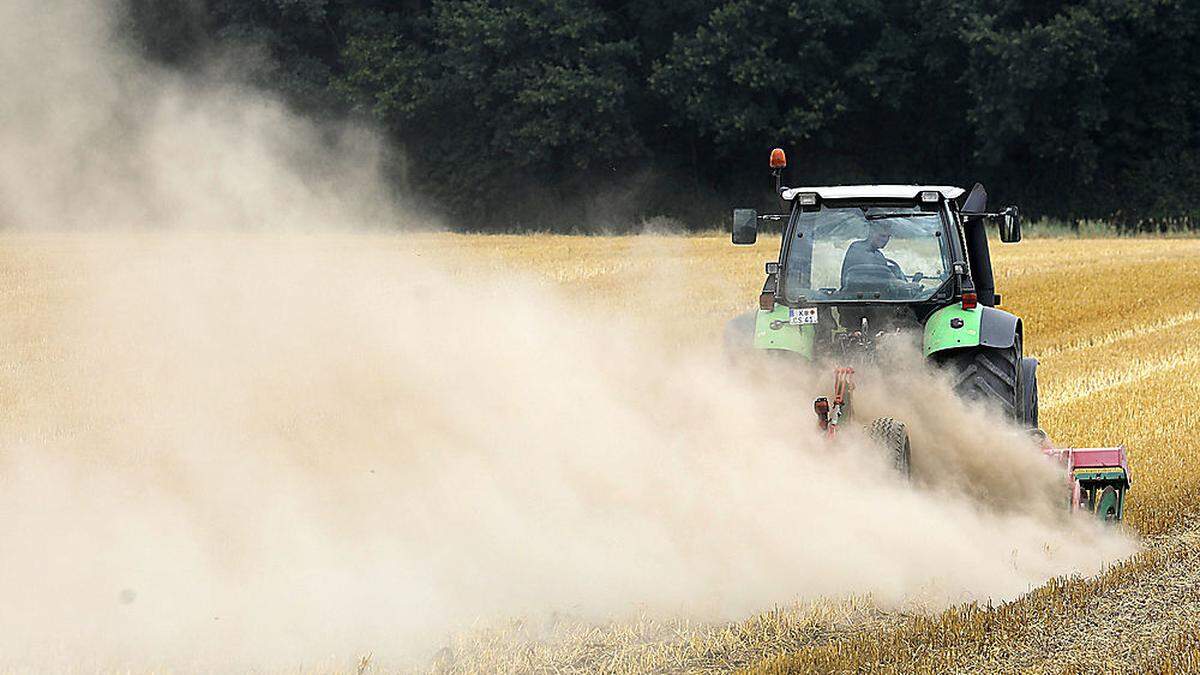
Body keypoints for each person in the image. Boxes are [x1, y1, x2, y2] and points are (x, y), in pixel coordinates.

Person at [840, 221, 906, 287]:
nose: (885, 240)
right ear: (871, 233)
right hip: (856, 294)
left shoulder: (879, 255)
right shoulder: (856, 248)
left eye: (888, 236)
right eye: (882, 236)